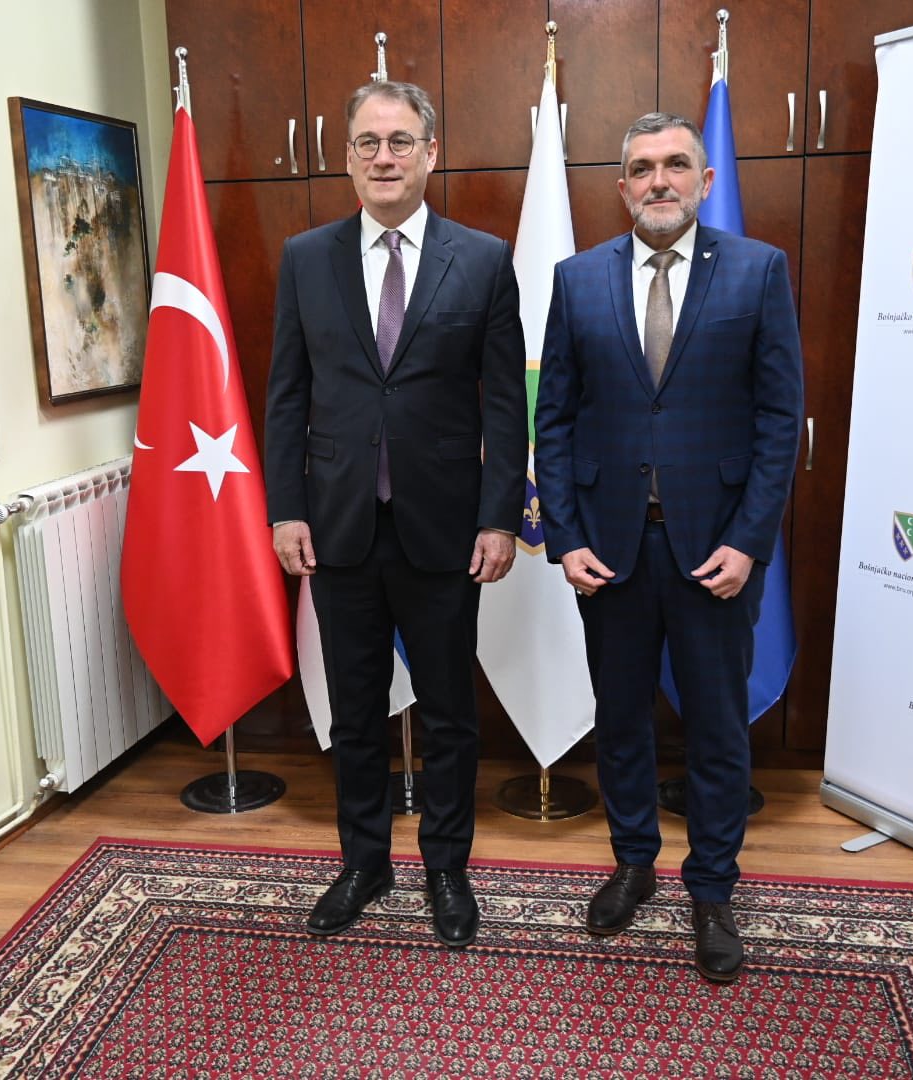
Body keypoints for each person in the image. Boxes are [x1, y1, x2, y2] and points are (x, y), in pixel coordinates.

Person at [534, 112, 803, 982]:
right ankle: (633, 864)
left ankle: (713, 889)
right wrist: (565, 537)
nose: (660, 180)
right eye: (643, 168)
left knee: (716, 727)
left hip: (714, 552)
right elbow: (554, 420)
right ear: (622, 187)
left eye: (677, 164)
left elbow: (778, 420)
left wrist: (749, 542)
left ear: (704, 180)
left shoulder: (758, 270)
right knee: (621, 720)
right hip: (608, 549)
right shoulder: (577, 279)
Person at [264, 80, 527, 948]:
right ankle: (364, 862)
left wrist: (499, 517)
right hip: (338, 526)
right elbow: (286, 395)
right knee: (354, 711)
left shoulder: (482, 259)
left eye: (401, 141)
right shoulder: (306, 258)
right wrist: (285, 509)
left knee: (450, 711)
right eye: (369, 143)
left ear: (430, 153)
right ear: (346, 157)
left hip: (445, 530)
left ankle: (446, 867)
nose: (385, 157)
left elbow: (504, 406)